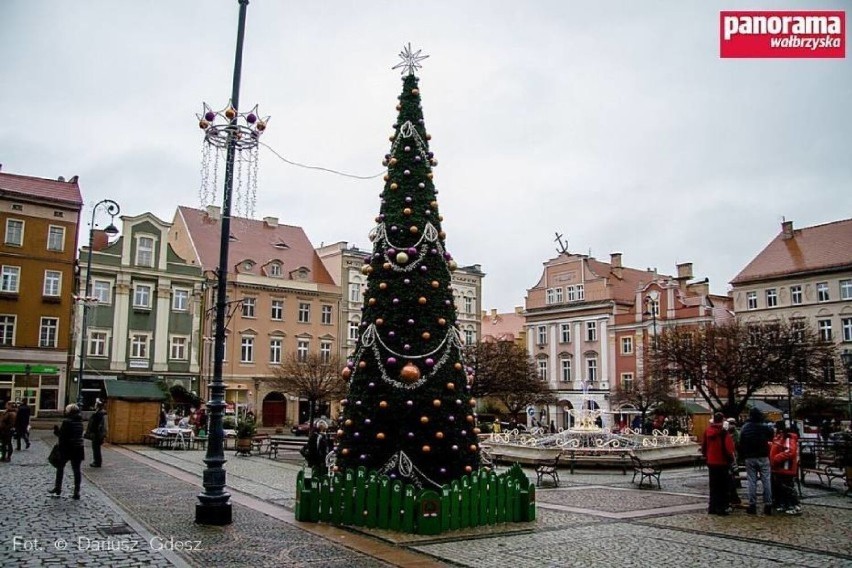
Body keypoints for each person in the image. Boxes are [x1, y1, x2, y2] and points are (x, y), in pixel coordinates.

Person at [738, 407, 774, 515]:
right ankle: (768, 504)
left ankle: (752, 505)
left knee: (751, 481)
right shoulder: (765, 427)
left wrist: (743, 454)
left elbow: (741, 442)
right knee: (766, 480)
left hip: (750, 457)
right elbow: (771, 437)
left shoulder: (745, 428)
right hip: (763, 456)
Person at [702, 412, 736, 515]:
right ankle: (721, 508)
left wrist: (706, 455)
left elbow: (704, 446)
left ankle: (712, 507)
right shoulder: (723, 432)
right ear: (722, 420)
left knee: (713, 486)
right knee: (723, 486)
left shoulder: (707, 431)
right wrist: (731, 458)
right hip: (722, 462)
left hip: (711, 461)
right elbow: (729, 448)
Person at [50, 404, 85, 499]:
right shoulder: (80, 422)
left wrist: (56, 431)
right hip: (78, 448)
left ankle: (58, 488)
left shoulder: (67, 422)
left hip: (67, 449)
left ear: (69, 412)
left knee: (60, 467)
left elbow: (62, 436)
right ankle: (76, 491)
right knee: (77, 470)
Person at [770, 421, 801, 515]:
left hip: (786, 466)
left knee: (787, 486)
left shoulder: (788, 437)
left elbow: (790, 451)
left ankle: (794, 505)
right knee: (781, 486)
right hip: (779, 467)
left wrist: (776, 458)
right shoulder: (779, 437)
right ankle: (784, 504)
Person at [724, 418, 742, 508]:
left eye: (733, 423)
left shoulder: (735, 433)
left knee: (734, 471)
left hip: (733, 455)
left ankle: (737, 483)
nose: (732, 425)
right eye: (730, 423)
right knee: (732, 473)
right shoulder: (727, 433)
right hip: (731, 455)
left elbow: (738, 443)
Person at [85, 400, 107, 468]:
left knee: (96, 449)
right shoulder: (98, 413)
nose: (94, 405)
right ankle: (97, 461)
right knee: (96, 449)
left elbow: (97, 425)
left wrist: (95, 433)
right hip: (97, 434)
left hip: (97, 434)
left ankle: (97, 462)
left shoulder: (98, 414)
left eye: (95, 404)